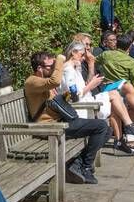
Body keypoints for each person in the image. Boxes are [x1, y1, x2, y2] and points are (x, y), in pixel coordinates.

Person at [25, 51, 113, 184]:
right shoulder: (32, 81)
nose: (55, 68)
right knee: (101, 127)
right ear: (39, 68)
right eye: (51, 66)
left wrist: (68, 95)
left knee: (106, 129)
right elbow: (55, 81)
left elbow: (54, 101)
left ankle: (77, 164)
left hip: (61, 121)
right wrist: (60, 59)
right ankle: (85, 166)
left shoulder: (42, 82)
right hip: (50, 127)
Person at [62, 39, 134, 155]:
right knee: (116, 98)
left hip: (88, 101)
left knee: (115, 95)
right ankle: (126, 133)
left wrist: (92, 81)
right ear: (73, 52)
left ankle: (124, 134)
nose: (83, 58)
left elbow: (81, 88)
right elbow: (74, 97)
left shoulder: (74, 68)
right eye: (82, 55)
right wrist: (92, 85)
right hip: (83, 108)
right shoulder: (67, 70)